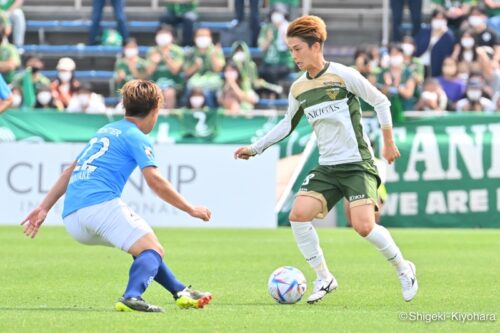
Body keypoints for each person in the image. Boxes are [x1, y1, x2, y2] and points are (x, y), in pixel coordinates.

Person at [234, 16, 418, 304]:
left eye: (297, 49)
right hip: (328, 166)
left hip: (357, 163)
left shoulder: (343, 75)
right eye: (290, 50)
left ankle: (403, 268)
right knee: (298, 215)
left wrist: (388, 143)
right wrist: (255, 148)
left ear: (315, 45)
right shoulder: (298, 88)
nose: (293, 56)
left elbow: (381, 101)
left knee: (364, 226)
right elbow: (286, 124)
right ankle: (324, 277)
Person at [21, 80, 213, 312]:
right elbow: (155, 181)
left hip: (72, 216)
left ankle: (180, 291)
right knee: (152, 249)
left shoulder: (105, 130)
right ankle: (132, 297)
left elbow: (68, 171)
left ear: (125, 106)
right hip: (98, 206)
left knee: (143, 246)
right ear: (155, 110)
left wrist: (43, 208)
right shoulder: (136, 136)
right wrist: (190, 208)